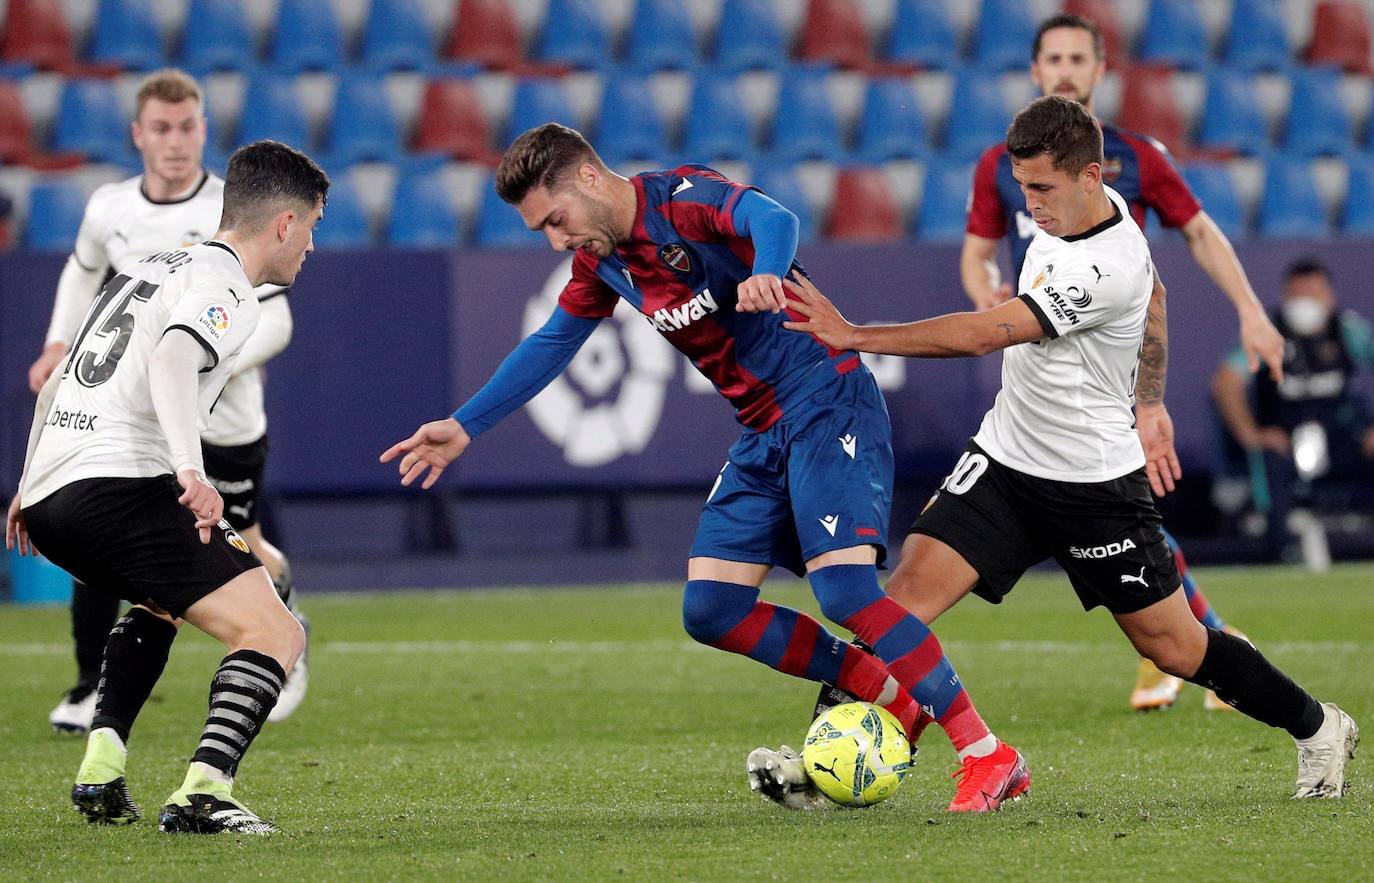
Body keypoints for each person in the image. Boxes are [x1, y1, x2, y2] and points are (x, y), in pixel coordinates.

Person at [381, 123, 1029, 813]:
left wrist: (766, 272)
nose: (556, 240)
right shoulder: (601, 264)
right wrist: (465, 424)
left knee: (843, 592)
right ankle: (883, 686)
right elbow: (550, 344)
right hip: (760, 430)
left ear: (590, 180)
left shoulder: (681, 199)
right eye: (542, 229)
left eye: (556, 219)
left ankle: (989, 754)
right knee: (712, 608)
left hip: (824, 399)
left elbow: (771, 217)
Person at [780, 95, 1358, 803]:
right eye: (1023, 189)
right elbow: (1160, 302)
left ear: (1091, 175)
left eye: (1043, 189)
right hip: (1004, 461)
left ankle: (1319, 725)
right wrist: (1149, 398)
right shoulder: (1074, 210)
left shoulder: (1108, 262)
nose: (1031, 205)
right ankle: (820, 768)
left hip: (1093, 486)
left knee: (1173, 646)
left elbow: (987, 333)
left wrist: (857, 333)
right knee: (894, 603)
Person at [7, 140, 327, 834]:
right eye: (312, 226)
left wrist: (28, 480)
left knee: (159, 603)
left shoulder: (148, 265)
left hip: (52, 494)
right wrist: (190, 469)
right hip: (121, 482)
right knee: (275, 629)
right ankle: (205, 793)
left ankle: (101, 764)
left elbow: (60, 373)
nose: (310, 246)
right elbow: (175, 357)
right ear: (283, 223)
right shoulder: (230, 286)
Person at [961, 13, 1266, 711]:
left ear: (1100, 70)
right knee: (1120, 514)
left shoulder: (1139, 155)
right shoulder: (1002, 164)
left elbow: (1198, 230)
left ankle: (1193, 646)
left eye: (1078, 58)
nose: (1066, 69)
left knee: (1122, 510)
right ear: (1035, 71)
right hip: (1040, 354)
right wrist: (984, 293)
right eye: (1054, 58)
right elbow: (976, 251)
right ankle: (1205, 643)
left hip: (1109, 355)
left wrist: (1249, 307)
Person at [26, 69, 310, 734]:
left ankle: (282, 626)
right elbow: (83, 272)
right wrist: (57, 342)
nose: (176, 142)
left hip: (221, 418)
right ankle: (90, 686)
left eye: (188, 127)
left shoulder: (237, 207)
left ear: (203, 130)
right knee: (111, 538)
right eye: (162, 128)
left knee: (244, 549)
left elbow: (275, 317)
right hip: (135, 417)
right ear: (138, 135)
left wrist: (218, 353)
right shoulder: (110, 208)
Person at [1212, 257, 1374, 562]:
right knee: (1269, 455)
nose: (1305, 303)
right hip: (1284, 436)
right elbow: (1226, 382)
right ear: (1285, 297)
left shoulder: (1349, 332)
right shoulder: (1267, 333)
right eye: (1297, 295)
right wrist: (1251, 434)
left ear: (1329, 297)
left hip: (1340, 435)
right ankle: (1282, 550)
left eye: (1313, 294)